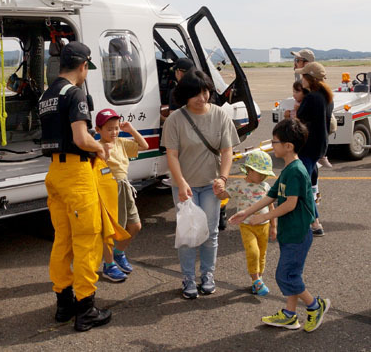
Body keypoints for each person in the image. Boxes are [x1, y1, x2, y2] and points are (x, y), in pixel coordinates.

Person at [39, 41, 113, 332]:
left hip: (55, 172)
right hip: (77, 174)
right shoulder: (75, 93)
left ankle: (63, 304)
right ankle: (86, 309)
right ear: (83, 66)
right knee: (87, 241)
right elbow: (81, 138)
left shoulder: (47, 94)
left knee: (63, 240)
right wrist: (99, 148)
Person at [230, 119, 329, 332]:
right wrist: (246, 212)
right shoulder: (288, 168)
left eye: (274, 141)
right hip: (290, 232)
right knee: (292, 274)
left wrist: (262, 218)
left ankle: (314, 305)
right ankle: (290, 315)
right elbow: (271, 195)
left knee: (285, 275)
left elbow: (291, 204)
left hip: (297, 233)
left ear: (288, 146)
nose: (271, 145)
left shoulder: (295, 170)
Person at [161, 69, 239, 299]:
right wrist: (182, 182)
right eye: (195, 93)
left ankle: (208, 275)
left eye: (205, 91)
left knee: (211, 232)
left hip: (211, 184)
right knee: (187, 233)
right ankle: (188, 277)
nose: (202, 98)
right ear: (184, 95)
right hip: (184, 185)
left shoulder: (220, 115)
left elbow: (227, 151)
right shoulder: (175, 119)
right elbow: (172, 155)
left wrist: (223, 178)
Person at [95, 109, 149, 282]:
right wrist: (104, 153)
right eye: (109, 129)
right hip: (108, 189)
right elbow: (95, 168)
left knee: (135, 226)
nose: (114, 132)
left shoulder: (122, 142)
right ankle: (109, 265)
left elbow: (144, 146)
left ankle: (119, 253)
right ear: (98, 130)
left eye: (116, 128)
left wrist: (131, 130)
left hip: (124, 187)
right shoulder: (97, 147)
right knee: (110, 230)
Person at [218, 150, 277, 296]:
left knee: (262, 254)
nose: (263, 176)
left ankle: (258, 280)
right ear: (249, 170)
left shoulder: (265, 186)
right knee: (253, 252)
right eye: (260, 172)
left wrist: (274, 226)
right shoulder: (239, 185)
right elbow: (224, 195)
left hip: (264, 225)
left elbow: (271, 207)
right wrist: (218, 189)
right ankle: (256, 279)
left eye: (265, 174)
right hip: (247, 225)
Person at [296, 62, 333, 236]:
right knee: (308, 183)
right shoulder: (326, 96)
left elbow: (302, 121)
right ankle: (313, 221)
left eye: (303, 76)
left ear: (309, 78)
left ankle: (316, 223)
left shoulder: (311, 98)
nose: (301, 78)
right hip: (319, 147)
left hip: (307, 147)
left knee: (303, 185)